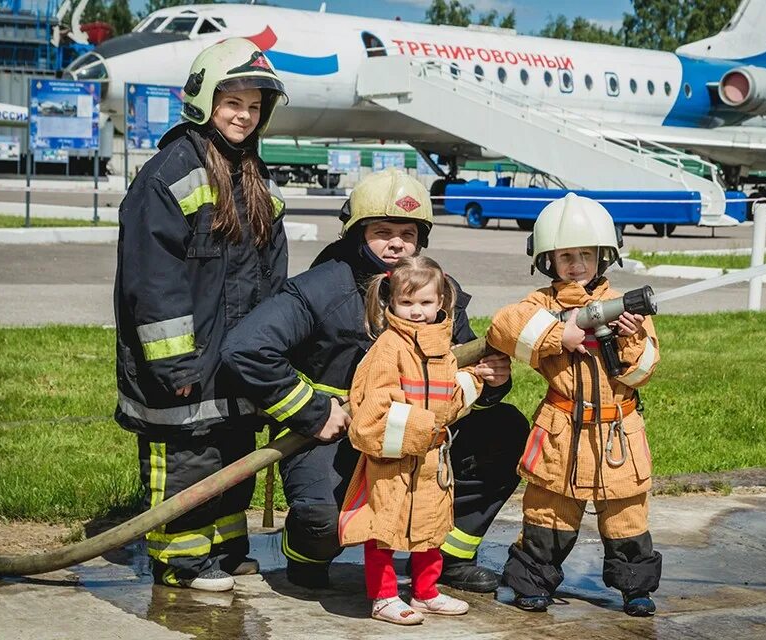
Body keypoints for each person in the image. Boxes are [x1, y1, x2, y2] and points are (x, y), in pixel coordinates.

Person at [221, 169, 528, 593]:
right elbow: (245, 349)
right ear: (356, 233)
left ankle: (449, 556)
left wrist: (492, 384)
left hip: (422, 434)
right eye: (382, 231)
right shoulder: (318, 289)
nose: (397, 242)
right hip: (337, 434)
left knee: (505, 428)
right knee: (324, 521)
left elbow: (464, 368)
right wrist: (311, 412)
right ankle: (305, 552)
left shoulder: (440, 291)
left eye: (407, 232)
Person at [113, 38, 289, 592]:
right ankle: (182, 562)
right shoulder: (172, 172)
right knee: (189, 458)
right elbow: (154, 283)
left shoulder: (251, 174)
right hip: (184, 365)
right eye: (232, 101)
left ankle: (226, 549)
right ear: (203, 100)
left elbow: (272, 273)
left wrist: (272, 346)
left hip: (236, 356)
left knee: (233, 453)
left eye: (254, 107)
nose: (243, 115)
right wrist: (177, 367)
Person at [486, 193, 663, 616]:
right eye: (566, 255)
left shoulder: (627, 310)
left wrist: (629, 338)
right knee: (548, 511)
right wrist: (556, 336)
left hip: (617, 433)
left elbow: (642, 372)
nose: (577, 264)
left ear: (605, 255)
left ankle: (635, 589)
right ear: (547, 259)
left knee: (626, 515)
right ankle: (532, 584)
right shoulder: (541, 305)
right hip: (562, 430)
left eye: (586, 254)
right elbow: (502, 327)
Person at [340, 256, 479, 624]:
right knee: (383, 527)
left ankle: (425, 592)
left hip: (432, 458)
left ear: (442, 303)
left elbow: (447, 400)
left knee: (431, 525)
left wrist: (472, 383)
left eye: (426, 303)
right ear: (390, 303)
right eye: (407, 303)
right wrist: (423, 426)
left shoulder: (443, 347)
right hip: (391, 459)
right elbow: (372, 414)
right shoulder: (387, 347)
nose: (417, 312)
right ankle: (383, 597)